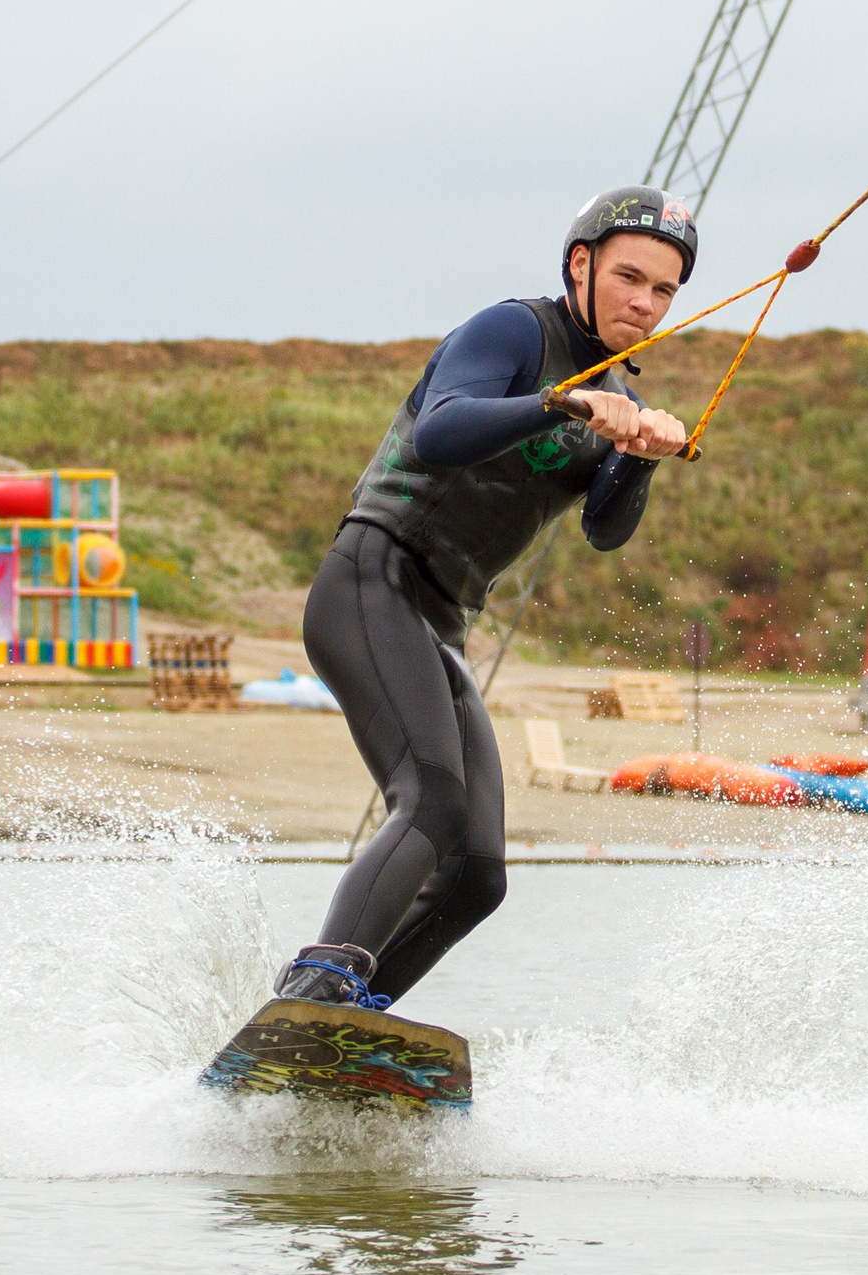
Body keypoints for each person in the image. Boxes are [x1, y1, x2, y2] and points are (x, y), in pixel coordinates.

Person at [274, 187, 696, 1013]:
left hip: (439, 624)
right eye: (629, 278)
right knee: (430, 799)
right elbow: (441, 429)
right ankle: (319, 981)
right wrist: (560, 399)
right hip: (371, 580)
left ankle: (348, 1024)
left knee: (476, 875)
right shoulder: (515, 332)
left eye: (664, 292)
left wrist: (640, 453)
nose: (645, 304)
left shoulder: (621, 402)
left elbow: (605, 532)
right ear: (582, 264)